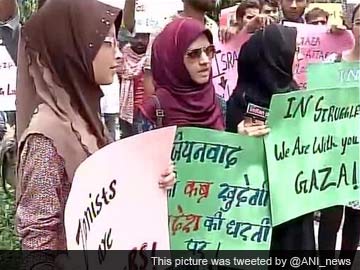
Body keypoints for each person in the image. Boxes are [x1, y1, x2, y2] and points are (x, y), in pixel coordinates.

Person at [15, 0, 175, 259]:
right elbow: (37, 244)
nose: (120, 54)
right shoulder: (46, 140)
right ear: (72, 49)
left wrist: (155, 180)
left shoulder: (86, 119)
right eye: (107, 42)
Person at [226, 24, 316, 254]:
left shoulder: (295, 97)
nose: (301, 56)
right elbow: (225, 168)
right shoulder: (239, 104)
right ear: (274, 59)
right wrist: (239, 142)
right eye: (295, 51)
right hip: (257, 218)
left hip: (295, 213)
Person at [318, 4, 360, 269]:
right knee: (330, 218)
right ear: (351, 23)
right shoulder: (332, 63)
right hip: (332, 154)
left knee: (355, 222)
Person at [139, 18, 224, 132]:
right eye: (193, 54)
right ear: (173, 60)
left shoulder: (218, 103)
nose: (205, 60)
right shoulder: (153, 111)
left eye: (209, 51)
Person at [143, 0, 220, 97]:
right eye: (193, 54)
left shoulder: (213, 27)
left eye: (209, 51)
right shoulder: (164, 29)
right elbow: (150, 77)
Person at [118, 32, 149, 138]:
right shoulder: (120, 57)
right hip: (123, 111)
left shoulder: (153, 58)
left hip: (145, 111)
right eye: (136, 36)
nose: (140, 40)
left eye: (144, 36)